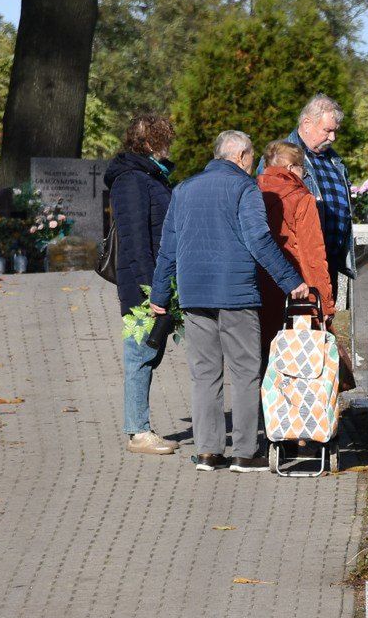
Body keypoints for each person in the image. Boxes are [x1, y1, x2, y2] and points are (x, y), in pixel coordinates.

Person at [149, 131, 311, 472]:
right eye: (251, 158)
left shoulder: (183, 189)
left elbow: (168, 249)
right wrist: (291, 280)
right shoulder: (244, 188)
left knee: (204, 374)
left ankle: (208, 452)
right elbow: (259, 239)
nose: (252, 165)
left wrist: (160, 295)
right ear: (241, 156)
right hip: (236, 294)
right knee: (245, 372)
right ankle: (244, 451)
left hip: (195, 295)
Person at [104, 111, 178, 456]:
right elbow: (135, 241)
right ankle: (137, 431)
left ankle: (140, 427)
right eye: (164, 140)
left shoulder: (150, 175)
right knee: (140, 355)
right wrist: (153, 291)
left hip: (154, 284)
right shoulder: (132, 179)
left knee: (150, 353)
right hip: (142, 287)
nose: (168, 148)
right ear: (149, 142)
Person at [255, 140, 334, 356]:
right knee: (298, 361)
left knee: (262, 361)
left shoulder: (252, 193)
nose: (304, 175)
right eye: (303, 169)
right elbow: (313, 254)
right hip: (295, 291)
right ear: (291, 168)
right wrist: (325, 304)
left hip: (256, 289)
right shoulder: (301, 198)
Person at [282, 95, 354, 297]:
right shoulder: (281, 155)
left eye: (334, 132)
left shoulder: (334, 161)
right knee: (301, 323)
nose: (332, 138)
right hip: (298, 263)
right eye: (327, 131)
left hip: (328, 262)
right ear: (307, 124)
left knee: (323, 319)